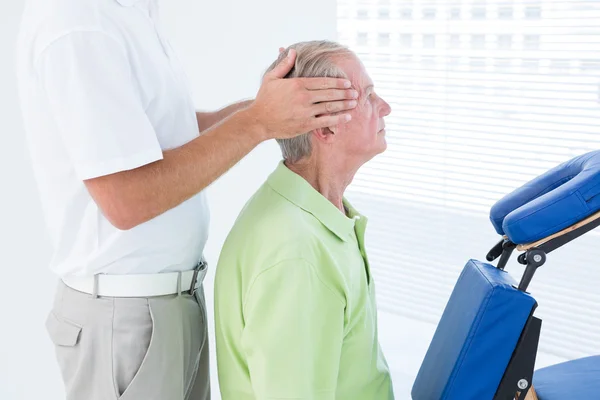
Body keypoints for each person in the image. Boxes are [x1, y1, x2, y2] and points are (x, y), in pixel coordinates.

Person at [14, 0, 358, 398]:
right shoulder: (79, 21)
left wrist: (272, 108)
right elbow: (126, 200)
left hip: (171, 305)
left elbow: (168, 134)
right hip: (126, 319)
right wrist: (260, 120)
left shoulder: (134, 13)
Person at [214, 40, 395, 400]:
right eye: (369, 96)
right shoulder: (297, 254)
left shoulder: (322, 216)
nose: (386, 108)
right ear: (325, 128)